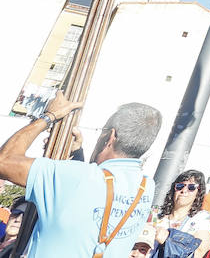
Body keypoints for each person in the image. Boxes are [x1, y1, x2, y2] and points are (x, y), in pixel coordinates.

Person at [0, 91, 161, 258]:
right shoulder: (146, 186)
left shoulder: (77, 177)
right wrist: (77, 155)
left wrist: (49, 116)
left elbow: (4, 161)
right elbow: (91, 201)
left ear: (111, 136)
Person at [155, 169, 210, 258]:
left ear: (198, 193)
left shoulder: (202, 218)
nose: (184, 190)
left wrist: (168, 240)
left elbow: (199, 252)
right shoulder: (158, 216)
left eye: (191, 187)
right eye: (179, 186)